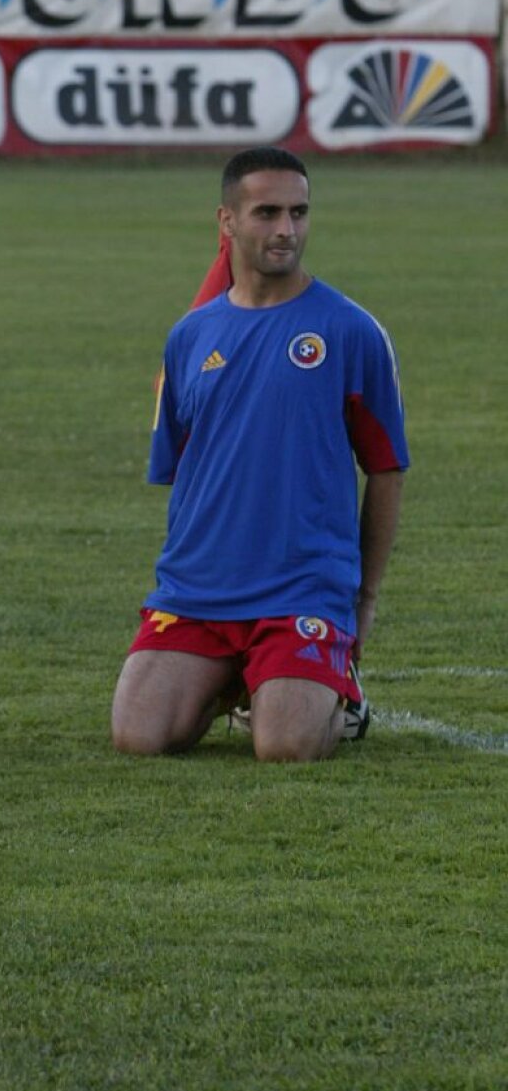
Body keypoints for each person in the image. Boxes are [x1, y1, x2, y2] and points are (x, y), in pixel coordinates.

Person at [112, 145, 408, 763]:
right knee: (138, 737)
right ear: (226, 221)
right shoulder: (189, 335)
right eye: (266, 212)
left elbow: (384, 468)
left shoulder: (350, 330)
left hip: (303, 587)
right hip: (198, 587)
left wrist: (365, 599)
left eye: (299, 213)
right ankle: (240, 676)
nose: (286, 230)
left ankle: (331, 687)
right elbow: (180, 468)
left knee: (286, 747)